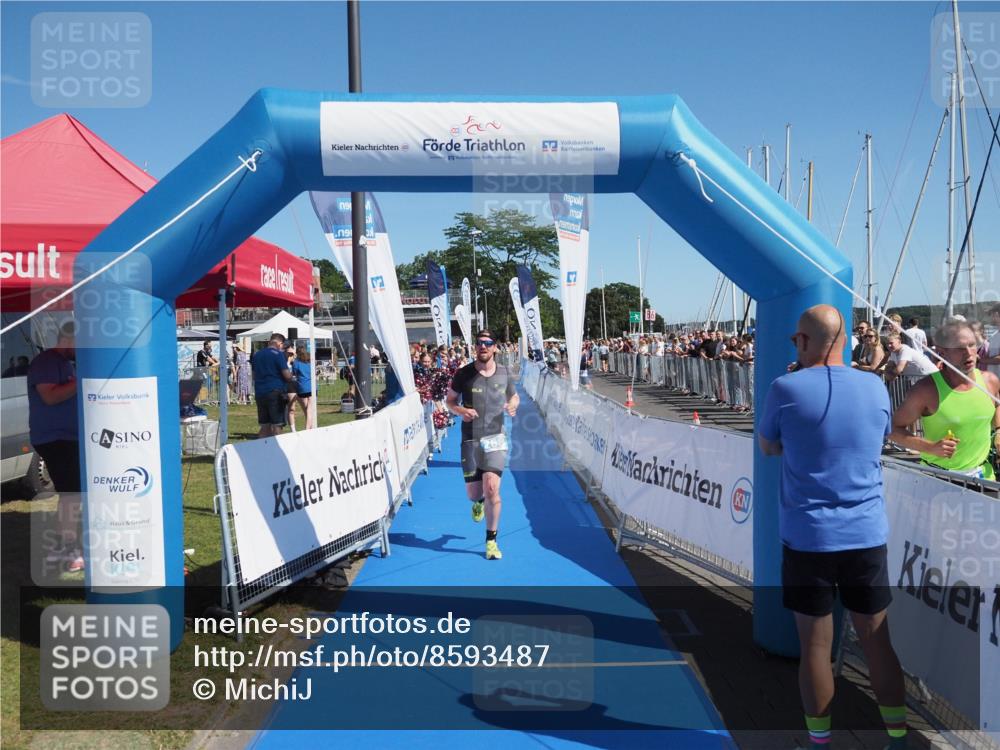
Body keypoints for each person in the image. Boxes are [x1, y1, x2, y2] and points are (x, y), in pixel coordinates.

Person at [759, 305, 907, 750]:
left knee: (816, 647)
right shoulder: (875, 387)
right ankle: (897, 738)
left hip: (809, 537)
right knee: (877, 640)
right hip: (865, 534)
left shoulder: (784, 387)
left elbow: (768, 447)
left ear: (804, 341)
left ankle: (820, 742)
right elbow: (877, 438)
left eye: (795, 339)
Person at [889, 321, 1000, 479]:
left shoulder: (990, 381)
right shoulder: (926, 390)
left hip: (983, 477)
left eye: (972, 345)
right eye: (960, 348)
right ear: (942, 352)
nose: (969, 353)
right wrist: (930, 447)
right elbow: (892, 429)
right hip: (939, 478)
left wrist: (999, 430)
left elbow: (995, 405)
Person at [446, 330, 518, 560]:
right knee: (474, 493)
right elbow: (449, 401)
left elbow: (513, 396)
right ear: (475, 347)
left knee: (492, 489)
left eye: (488, 343)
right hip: (470, 438)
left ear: (495, 347)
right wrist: (461, 410)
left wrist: (513, 405)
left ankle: (491, 542)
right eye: (479, 343)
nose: (483, 347)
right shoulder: (463, 374)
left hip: (496, 437)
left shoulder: (505, 373)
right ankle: (477, 503)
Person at [27, 322, 83, 572]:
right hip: (54, 438)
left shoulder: (65, 363)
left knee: (72, 494)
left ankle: (64, 547)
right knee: (71, 495)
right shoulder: (46, 361)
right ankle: (68, 551)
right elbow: (49, 396)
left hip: (67, 437)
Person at [252, 333, 294, 438]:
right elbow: (287, 376)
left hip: (260, 392)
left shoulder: (257, 355)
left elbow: (253, 375)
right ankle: (278, 451)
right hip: (275, 392)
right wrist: (292, 375)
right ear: (280, 343)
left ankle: (261, 450)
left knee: (265, 426)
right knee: (277, 425)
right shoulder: (278, 355)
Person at [290, 346, 315, 431]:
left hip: (302, 387)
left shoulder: (296, 363)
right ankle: (308, 428)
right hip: (312, 387)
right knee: (309, 409)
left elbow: (294, 374)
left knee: (307, 409)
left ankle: (309, 428)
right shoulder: (310, 362)